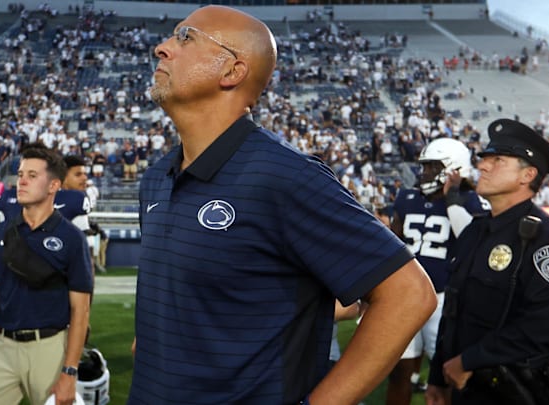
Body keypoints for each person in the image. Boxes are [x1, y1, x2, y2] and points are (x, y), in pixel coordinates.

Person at [129, 6, 437, 404]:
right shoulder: (157, 177)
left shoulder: (284, 176)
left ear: (232, 71)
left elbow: (409, 294)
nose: (161, 48)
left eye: (185, 37)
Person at [426, 119, 549, 405]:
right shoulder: (476, 230)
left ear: (527, 175)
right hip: (465, 387)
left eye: (498, 160)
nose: (483, 166)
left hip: (516, 391)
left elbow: (545, 326)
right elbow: (453, 311)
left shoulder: (546, 238)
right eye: (485, 159)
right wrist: (438, 374)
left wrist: (468, 361)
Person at [0, 145, 93, 404]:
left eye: (32, 175)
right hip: (1, 347)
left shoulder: (72, 239)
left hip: (50, 348)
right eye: (20, 175)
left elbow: (80, 310)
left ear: (53, 186)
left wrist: (70, 371)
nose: (22, 181)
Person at [386, 138, 490, 405]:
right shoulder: (407, 197)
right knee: (399, 373)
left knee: (447, 374)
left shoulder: (470, 201)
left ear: (453, 169)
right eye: (425, 167)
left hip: (444, 300)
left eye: (432, 167)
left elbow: (469, 238)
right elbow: (392, 242)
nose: (425, 173)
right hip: (406, 297)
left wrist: (453, 196)